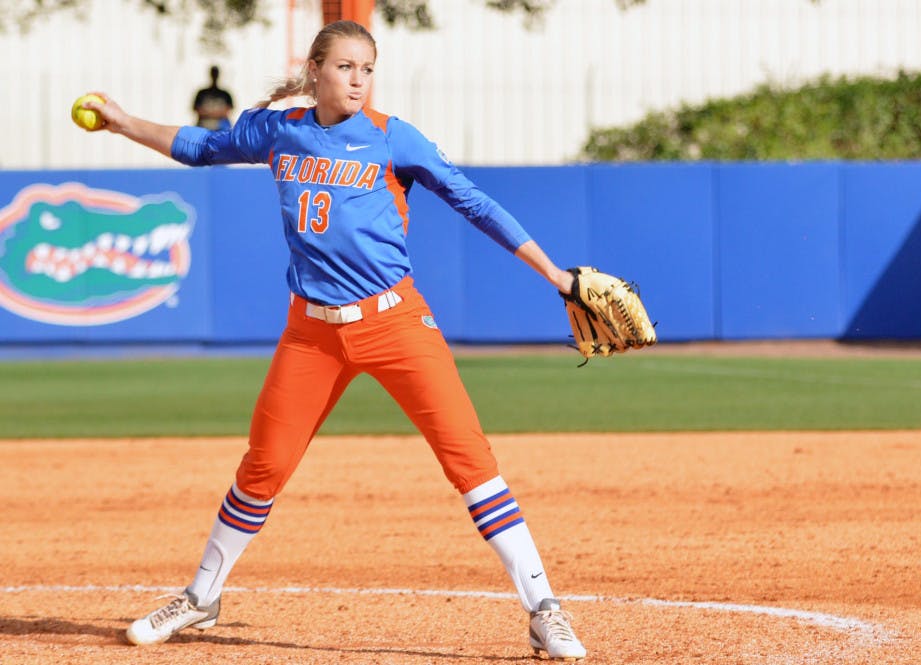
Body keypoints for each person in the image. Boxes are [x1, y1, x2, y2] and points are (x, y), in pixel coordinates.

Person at [83, 19, 586, 661]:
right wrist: (124, 123)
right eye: (345, 67)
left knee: (469, 460)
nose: (358, 80)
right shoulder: (280, 130)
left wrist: (556, 275)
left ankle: (544, 611)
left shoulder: (391, 137)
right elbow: (198, 146)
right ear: (315, 69)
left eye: (367, 69)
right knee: (263, 466)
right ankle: (201, 597)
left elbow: (474, 202)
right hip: (312, 333)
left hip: (395, 322)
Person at [192, 65, 234, 130]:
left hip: (220, 125)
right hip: (204, 125)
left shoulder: (225, 94)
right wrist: (216, 113)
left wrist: (209, 113)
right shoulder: (202, 93)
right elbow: (197, 109)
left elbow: (228, 110)